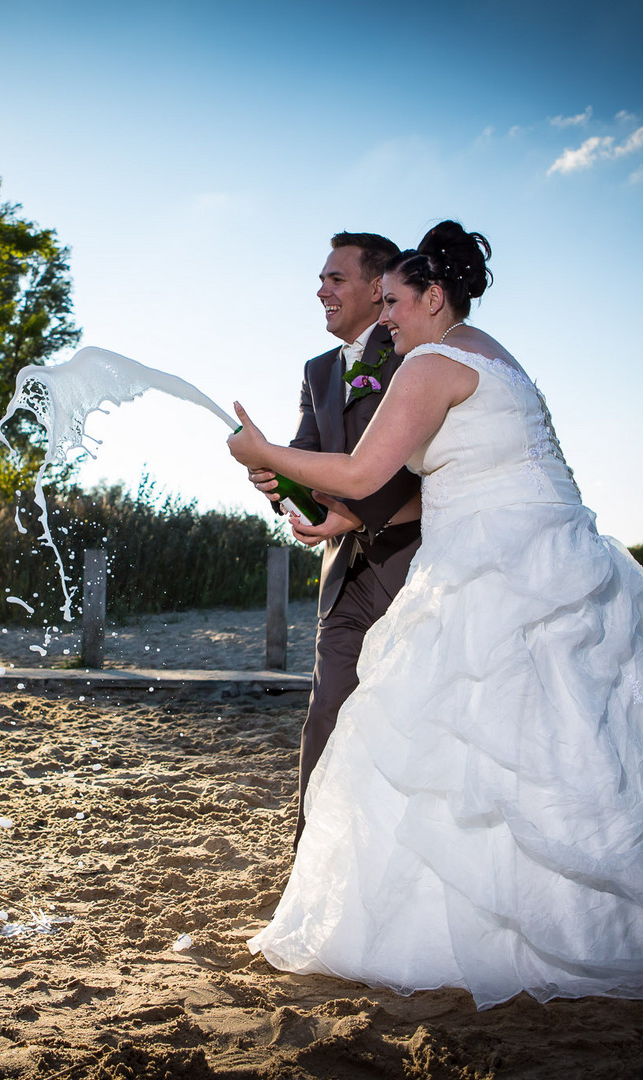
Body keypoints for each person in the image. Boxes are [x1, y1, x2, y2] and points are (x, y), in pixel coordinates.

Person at [226, 222, 643, 1008]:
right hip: (551, 554)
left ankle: (493, 927)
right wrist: (341, 520)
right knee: (567, 735)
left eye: (395, 301)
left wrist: (263, 453)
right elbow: (467, 467)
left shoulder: (430, 363)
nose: (386, 319)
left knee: (471, 736)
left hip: (489, 566)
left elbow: (366, 468)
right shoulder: (494, 352)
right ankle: (619, 914)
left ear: (434, 297)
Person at [254, 231, 422, 847]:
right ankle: (310, 865)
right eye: (322, 279)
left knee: (413, 719)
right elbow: (306, 458)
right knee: (327, 715)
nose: (321, 289)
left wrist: (354, 508)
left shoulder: (417, 353)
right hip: (344, 573)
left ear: (378, 287)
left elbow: (423, 463)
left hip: (416, 564)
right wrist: (274, 476)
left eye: (335, 278)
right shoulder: (318, 370)